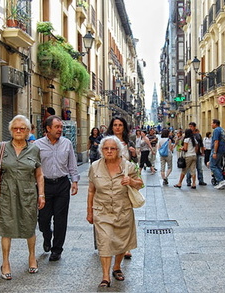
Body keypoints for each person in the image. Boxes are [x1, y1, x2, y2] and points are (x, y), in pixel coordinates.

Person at [0, 115, 45, 280]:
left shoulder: (34, 149)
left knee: (29, 226)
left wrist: (41, 195)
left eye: (22, 129)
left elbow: (39, 175)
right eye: (15, 128)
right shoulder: (2, 147)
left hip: (28, 193)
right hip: (7, 192)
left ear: (27, 131)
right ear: (11, 130)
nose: (18, 131)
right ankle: (5, 262)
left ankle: (32, 257)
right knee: (6, 228)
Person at [86, 135, 143, 288]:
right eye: (106, 148)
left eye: (113, 148)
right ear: (101, 150)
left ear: (118, 150)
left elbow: (140, 184)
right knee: (105, 241)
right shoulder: (95, 166)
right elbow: (91, 191)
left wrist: (131, 181)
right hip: (102, 210)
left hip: (122, 210)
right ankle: (105, 276)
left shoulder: (128, 166)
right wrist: (89, 212)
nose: (109, 151)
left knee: (121, 241)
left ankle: (116, 267)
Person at [34, 115, 80, 261]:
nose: (60, 130)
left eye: (61, 127)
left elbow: (72, 164)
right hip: (44, 185)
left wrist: (74, 181)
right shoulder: (37, 145)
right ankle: (47, 237)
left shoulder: (67, 144)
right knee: (43, 219)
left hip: (61, 184)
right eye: (57, 127)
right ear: (48, 129)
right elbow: (33, 167)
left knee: (61, 219)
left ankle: (57, 249)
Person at [105, 116, 137, 259]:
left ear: (124, 127)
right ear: (111, 127)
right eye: (115, 125)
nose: (117, 127)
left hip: (124, 183)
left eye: (120, 125)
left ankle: (126, 247)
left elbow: (134, 163)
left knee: (125, 217)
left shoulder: (129, 142)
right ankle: (108, 242)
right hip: (108, 181)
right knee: (108, 214)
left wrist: (134, 153)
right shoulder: (106, 142)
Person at [186, 122, 207, 186]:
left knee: (199, 167)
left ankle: (201, 180)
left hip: (197, 154)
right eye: (189, 126)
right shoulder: (188, 135)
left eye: (191, 126)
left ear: (195, 127)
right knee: (189, 168)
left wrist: (203, 152)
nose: (190, 128)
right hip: (190, 154)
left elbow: (201, 144)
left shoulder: (198, 135)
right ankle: (188, 181)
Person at [210, 119, 225, 189]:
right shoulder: (222, 130)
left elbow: (216, 141)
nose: (211, 125)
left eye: (212, 123)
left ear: (215, 124)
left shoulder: (216, 130)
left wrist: (214, 152)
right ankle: (220, 182)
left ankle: (221, 180)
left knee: (212, 166)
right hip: (221, 150)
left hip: (216, 150)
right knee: (217, 166)